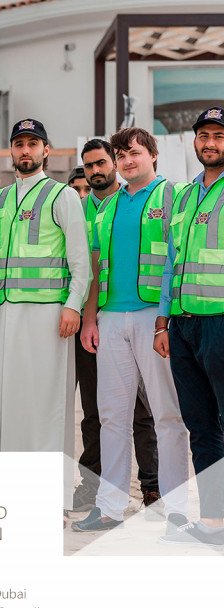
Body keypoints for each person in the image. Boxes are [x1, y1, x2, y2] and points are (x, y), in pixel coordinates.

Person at [73, 127, 189, 533]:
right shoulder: (104, 207)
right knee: (112, 417)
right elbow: (94, 266)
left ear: (153, 155)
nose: (126, 161)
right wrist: (90, 318)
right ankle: (109, 507)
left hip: (152, 320)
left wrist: (165, 320)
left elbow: (178, 260)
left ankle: (177, 509)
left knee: (168, 415)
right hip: (110, 319)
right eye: (120, 155)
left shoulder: (172, 195)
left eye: (134, 153)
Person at [0, 119, 91, 463]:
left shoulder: (63, 195)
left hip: (47, 315)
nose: (25, 150)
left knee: (45, 404)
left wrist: (73, 306)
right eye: (19, 144)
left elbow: (80, 261)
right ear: (12, 151)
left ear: (47, 150)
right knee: (4, 400)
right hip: (3, 314)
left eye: (33, 143)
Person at [70, 139, 159, 513]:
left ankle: (152, 486)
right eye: (89, 166)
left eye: (102, 162)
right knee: (97, 411)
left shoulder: (136, 202)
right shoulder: (77, 209)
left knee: (146, 412)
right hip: (95, 320)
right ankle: (95, 486)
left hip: (139, 315)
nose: (96, 170)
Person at [156, 107, 224, 546]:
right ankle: (215, 522)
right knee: (200, 426)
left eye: (219, 135)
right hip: (182, 325)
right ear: (193, 141)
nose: (211, 143)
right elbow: (170, 261)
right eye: (204, 135)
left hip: (221, 321)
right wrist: (162, 320)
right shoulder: (182, 197)